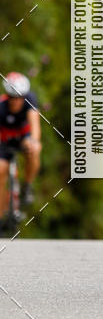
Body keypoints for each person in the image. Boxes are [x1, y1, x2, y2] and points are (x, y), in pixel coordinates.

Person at [0, 72, 41, 215]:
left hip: (24, 139)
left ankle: (27, 186)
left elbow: (35, 125)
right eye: (12, 97)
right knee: (1, 169)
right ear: (7, 95)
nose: (16, 101)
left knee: (34, 149)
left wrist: (34, 141)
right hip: (4, 143)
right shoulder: (1, 106)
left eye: (19, 97)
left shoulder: (30, 100)